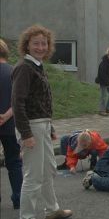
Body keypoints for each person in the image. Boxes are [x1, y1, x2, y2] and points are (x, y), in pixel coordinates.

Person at [11, 25, 72, 219]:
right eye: (35, 43)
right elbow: (17, 102)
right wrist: (26, 134)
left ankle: (52, 210)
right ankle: (27, 216)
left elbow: (39, 100)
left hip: (42, 125)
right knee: (33, 176)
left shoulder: (37, 65)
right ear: (27, 45)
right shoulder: (23, 67)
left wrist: (50, 126)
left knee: (48, 170)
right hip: (32, 127)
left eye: (43, 43)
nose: (40, 47)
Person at [0, 39, 22, 210]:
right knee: (14, 162)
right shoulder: (14, 71)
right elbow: (20, 100)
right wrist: (6, 116)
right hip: (10, 126)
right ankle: (18, 198)